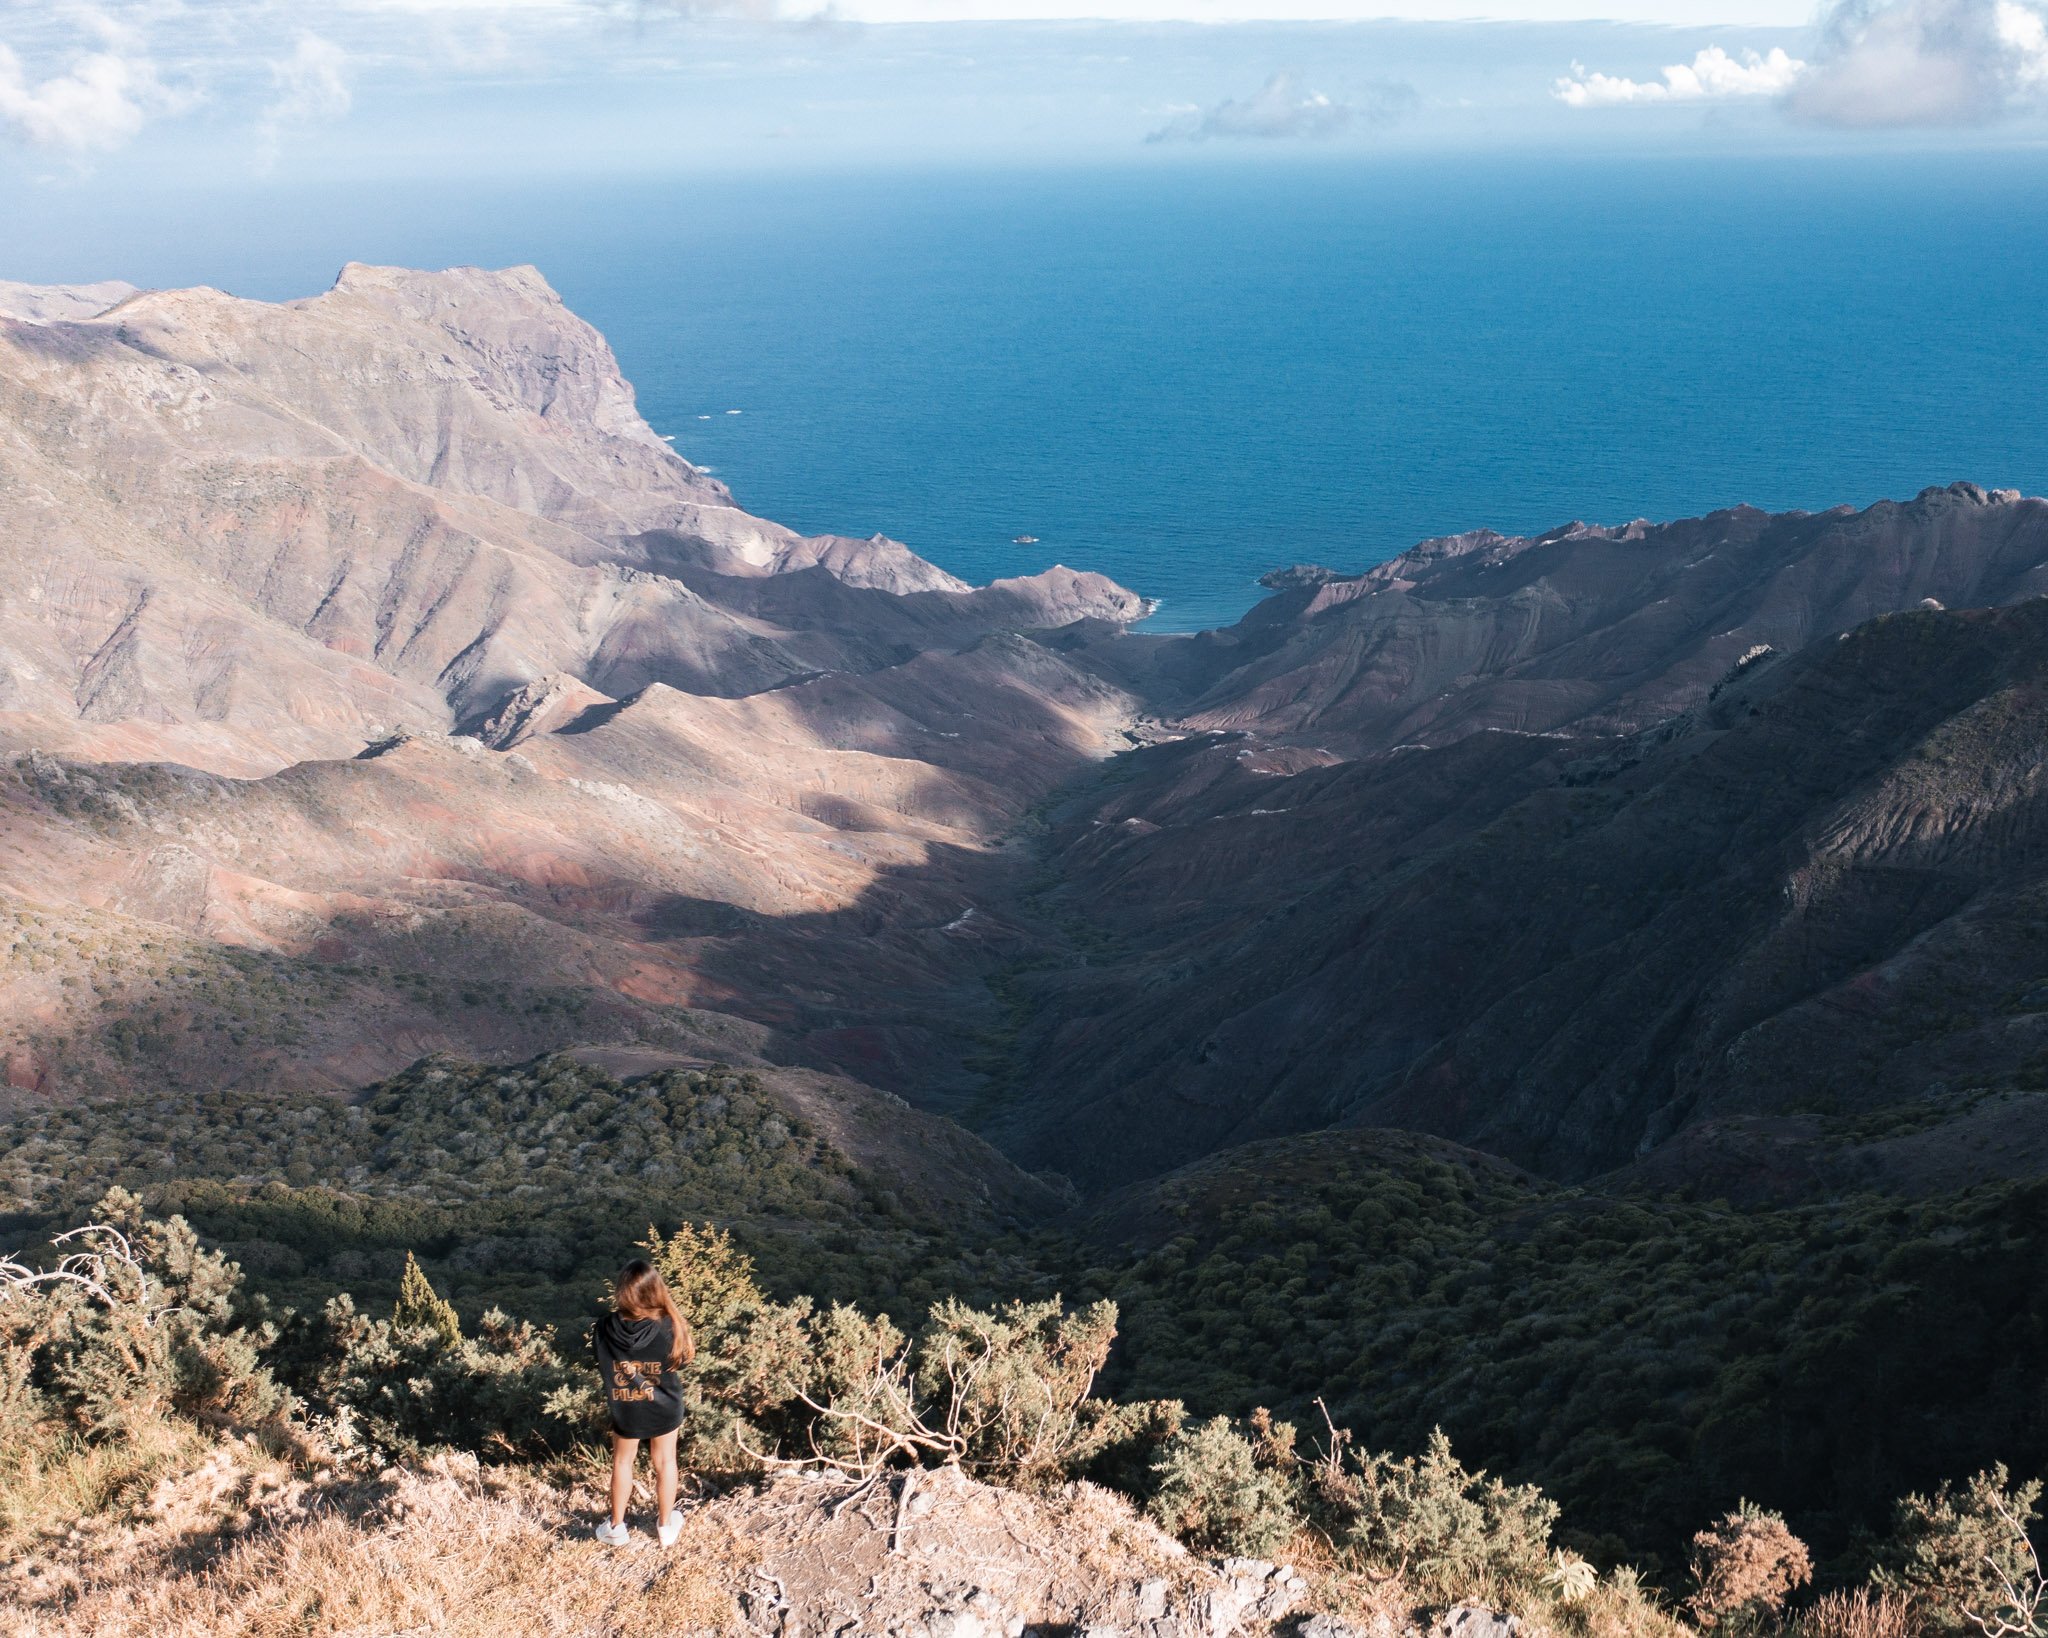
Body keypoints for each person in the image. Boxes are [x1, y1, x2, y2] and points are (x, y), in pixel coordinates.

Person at [589, 1258, 695, 1547]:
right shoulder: (670, 1325)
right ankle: (665, 1526)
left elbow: (598, 1360)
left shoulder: (604, 1327)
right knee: (666, 1462)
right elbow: (680, 1361)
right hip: (666, 1404)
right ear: (655, 1290)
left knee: (622, 1462)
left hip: (626, 1406)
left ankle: (616, 1527)